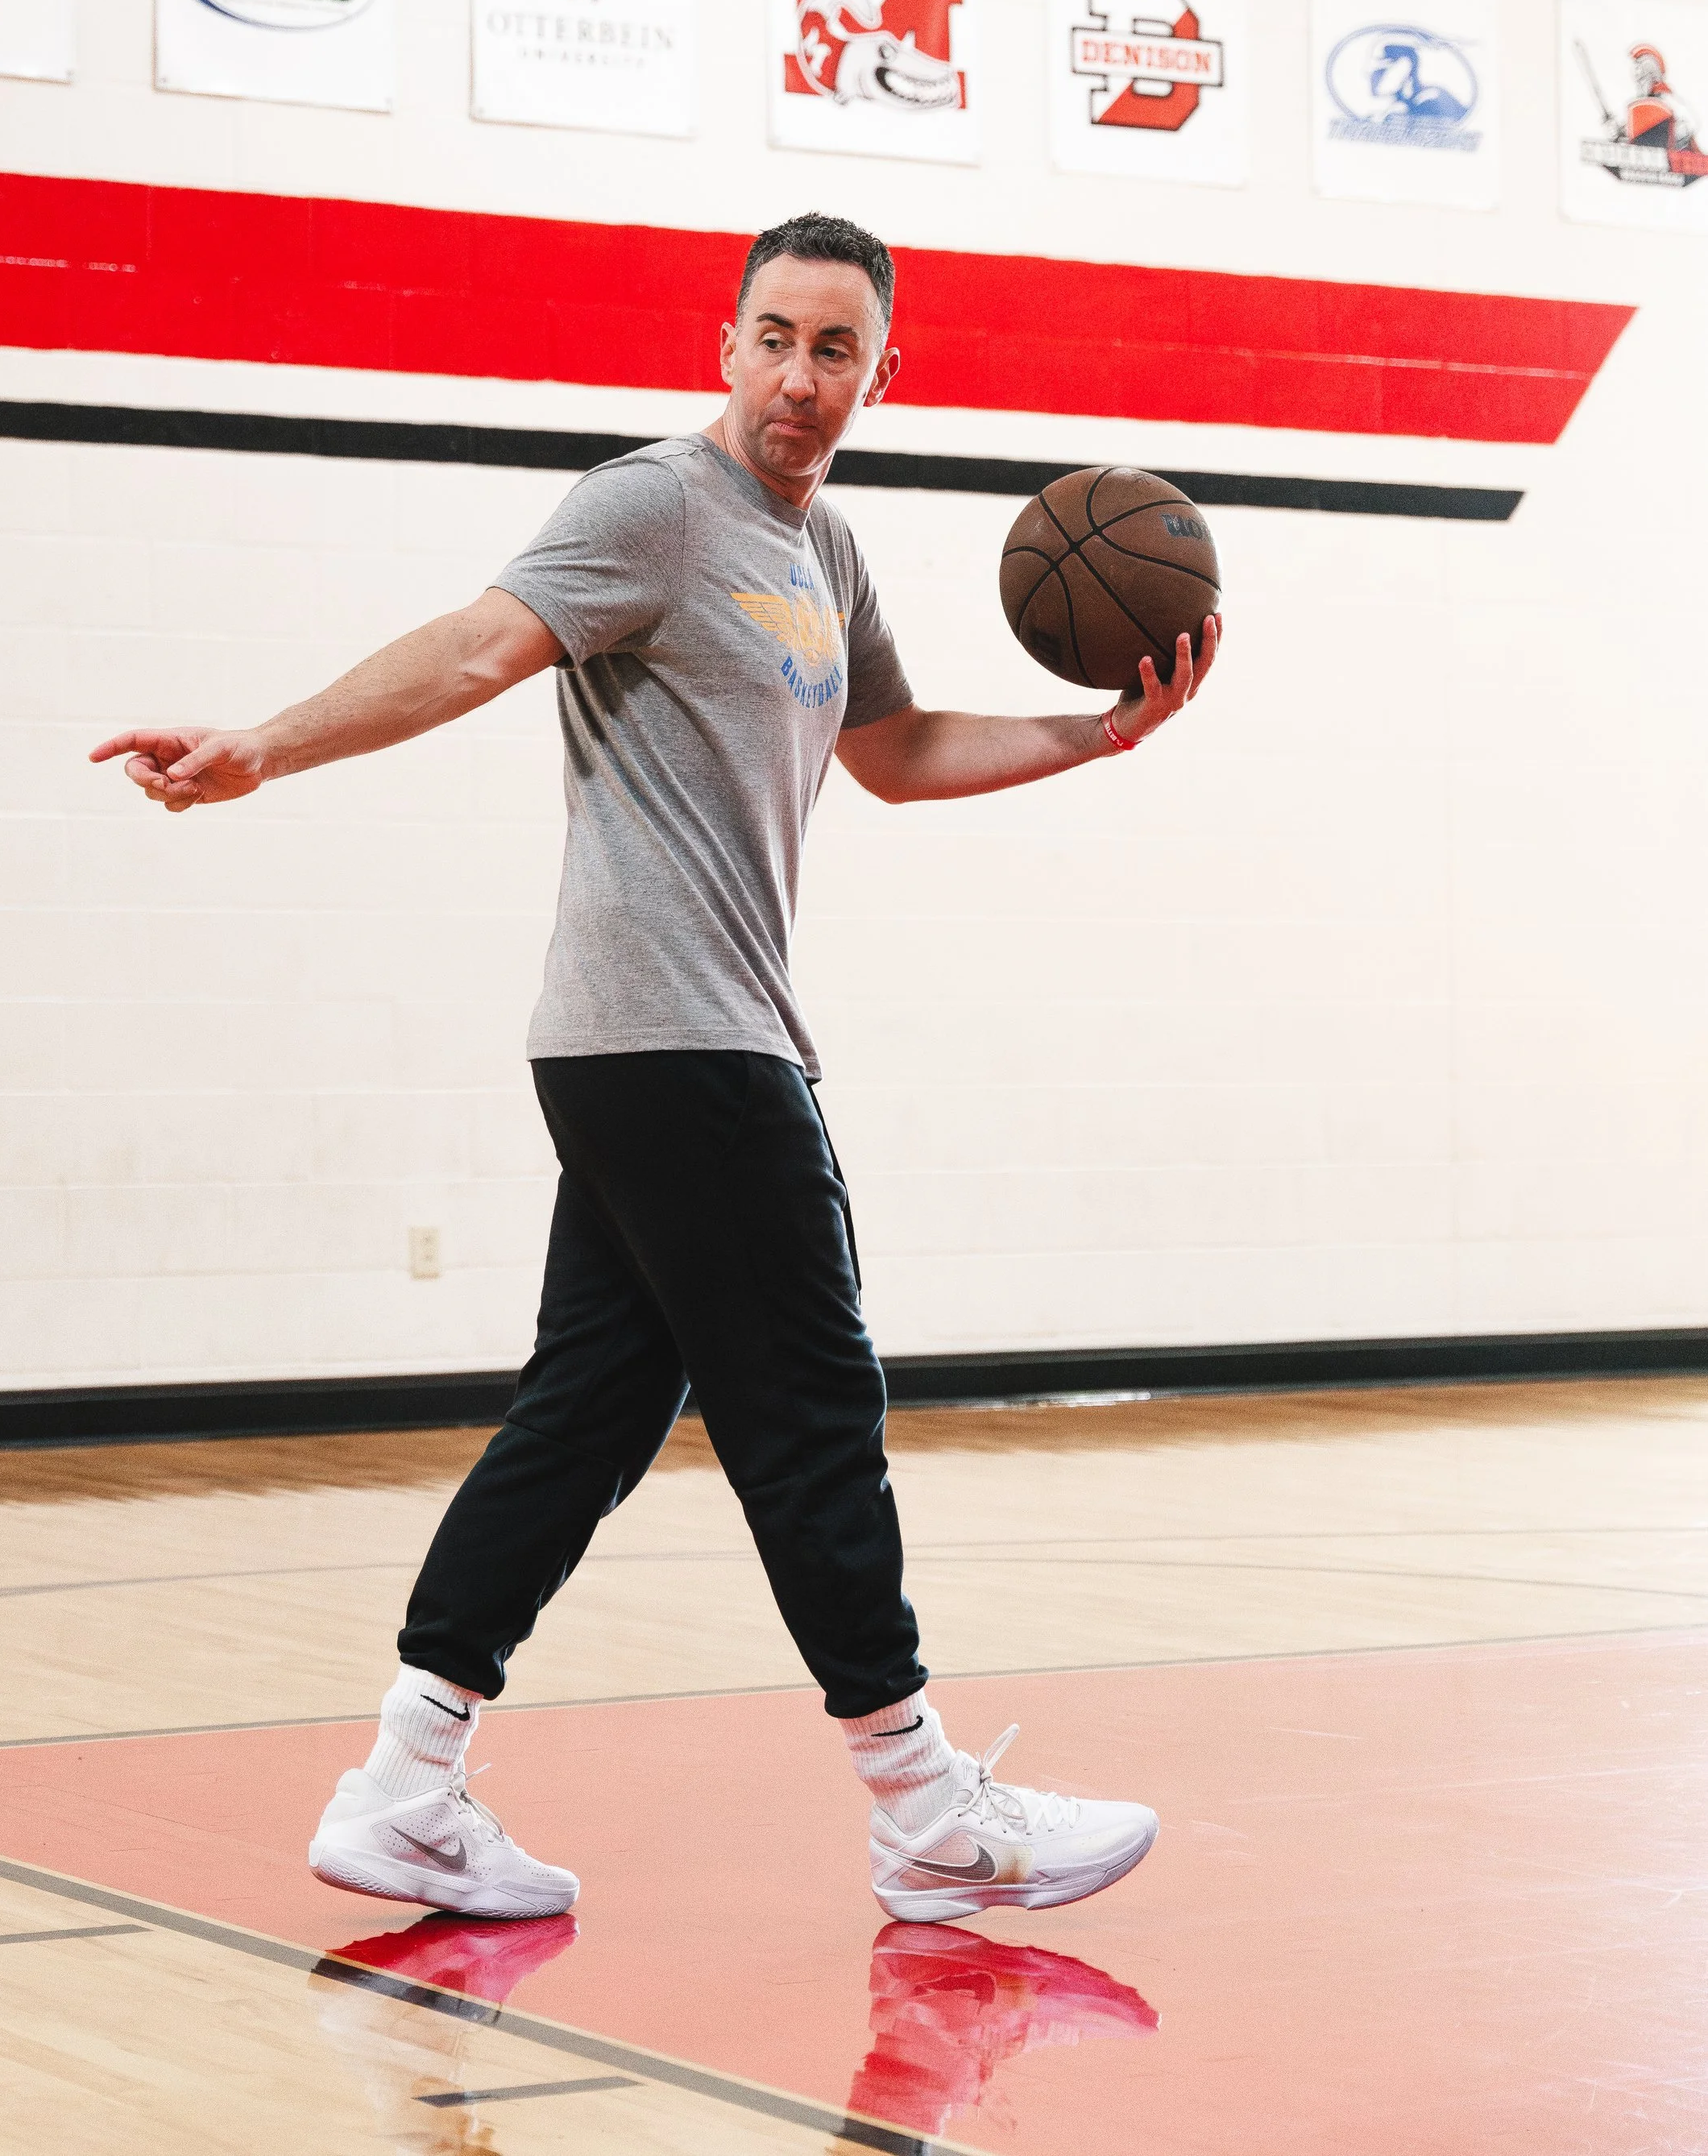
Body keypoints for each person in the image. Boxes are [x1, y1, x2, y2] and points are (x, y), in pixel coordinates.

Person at [90, 212, 1221, 1926]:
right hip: (677, 1038)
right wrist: (264, 742)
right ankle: (922, 1803)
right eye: (771, 335)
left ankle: (403, 1782)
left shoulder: (819, 550)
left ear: (878, 373)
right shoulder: (647, 506)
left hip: (655, 1045)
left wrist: (1102, 732)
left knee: (587, 1413)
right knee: (813, 1410)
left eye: (832, 347)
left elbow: (896, 753)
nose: (796, 374)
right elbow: (475, 646)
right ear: (724, 343)